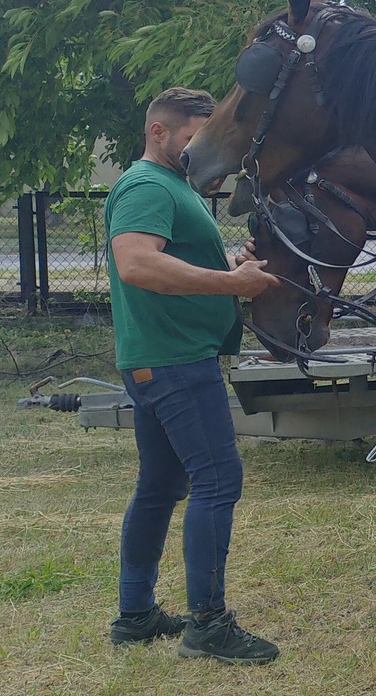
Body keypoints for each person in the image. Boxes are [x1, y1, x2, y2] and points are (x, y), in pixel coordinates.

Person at [106, 86, 283, 662]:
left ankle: (135, 614)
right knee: (217, 481)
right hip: (177, 362)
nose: (202, 150)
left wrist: (228, 264)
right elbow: (135, 261)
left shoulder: (174, 187)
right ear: (159, 131)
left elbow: (172, 258)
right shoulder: (145, 185)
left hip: (159, 359)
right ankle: (208, 624)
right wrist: (231, 285)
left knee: (159, 487)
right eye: (192, 138)